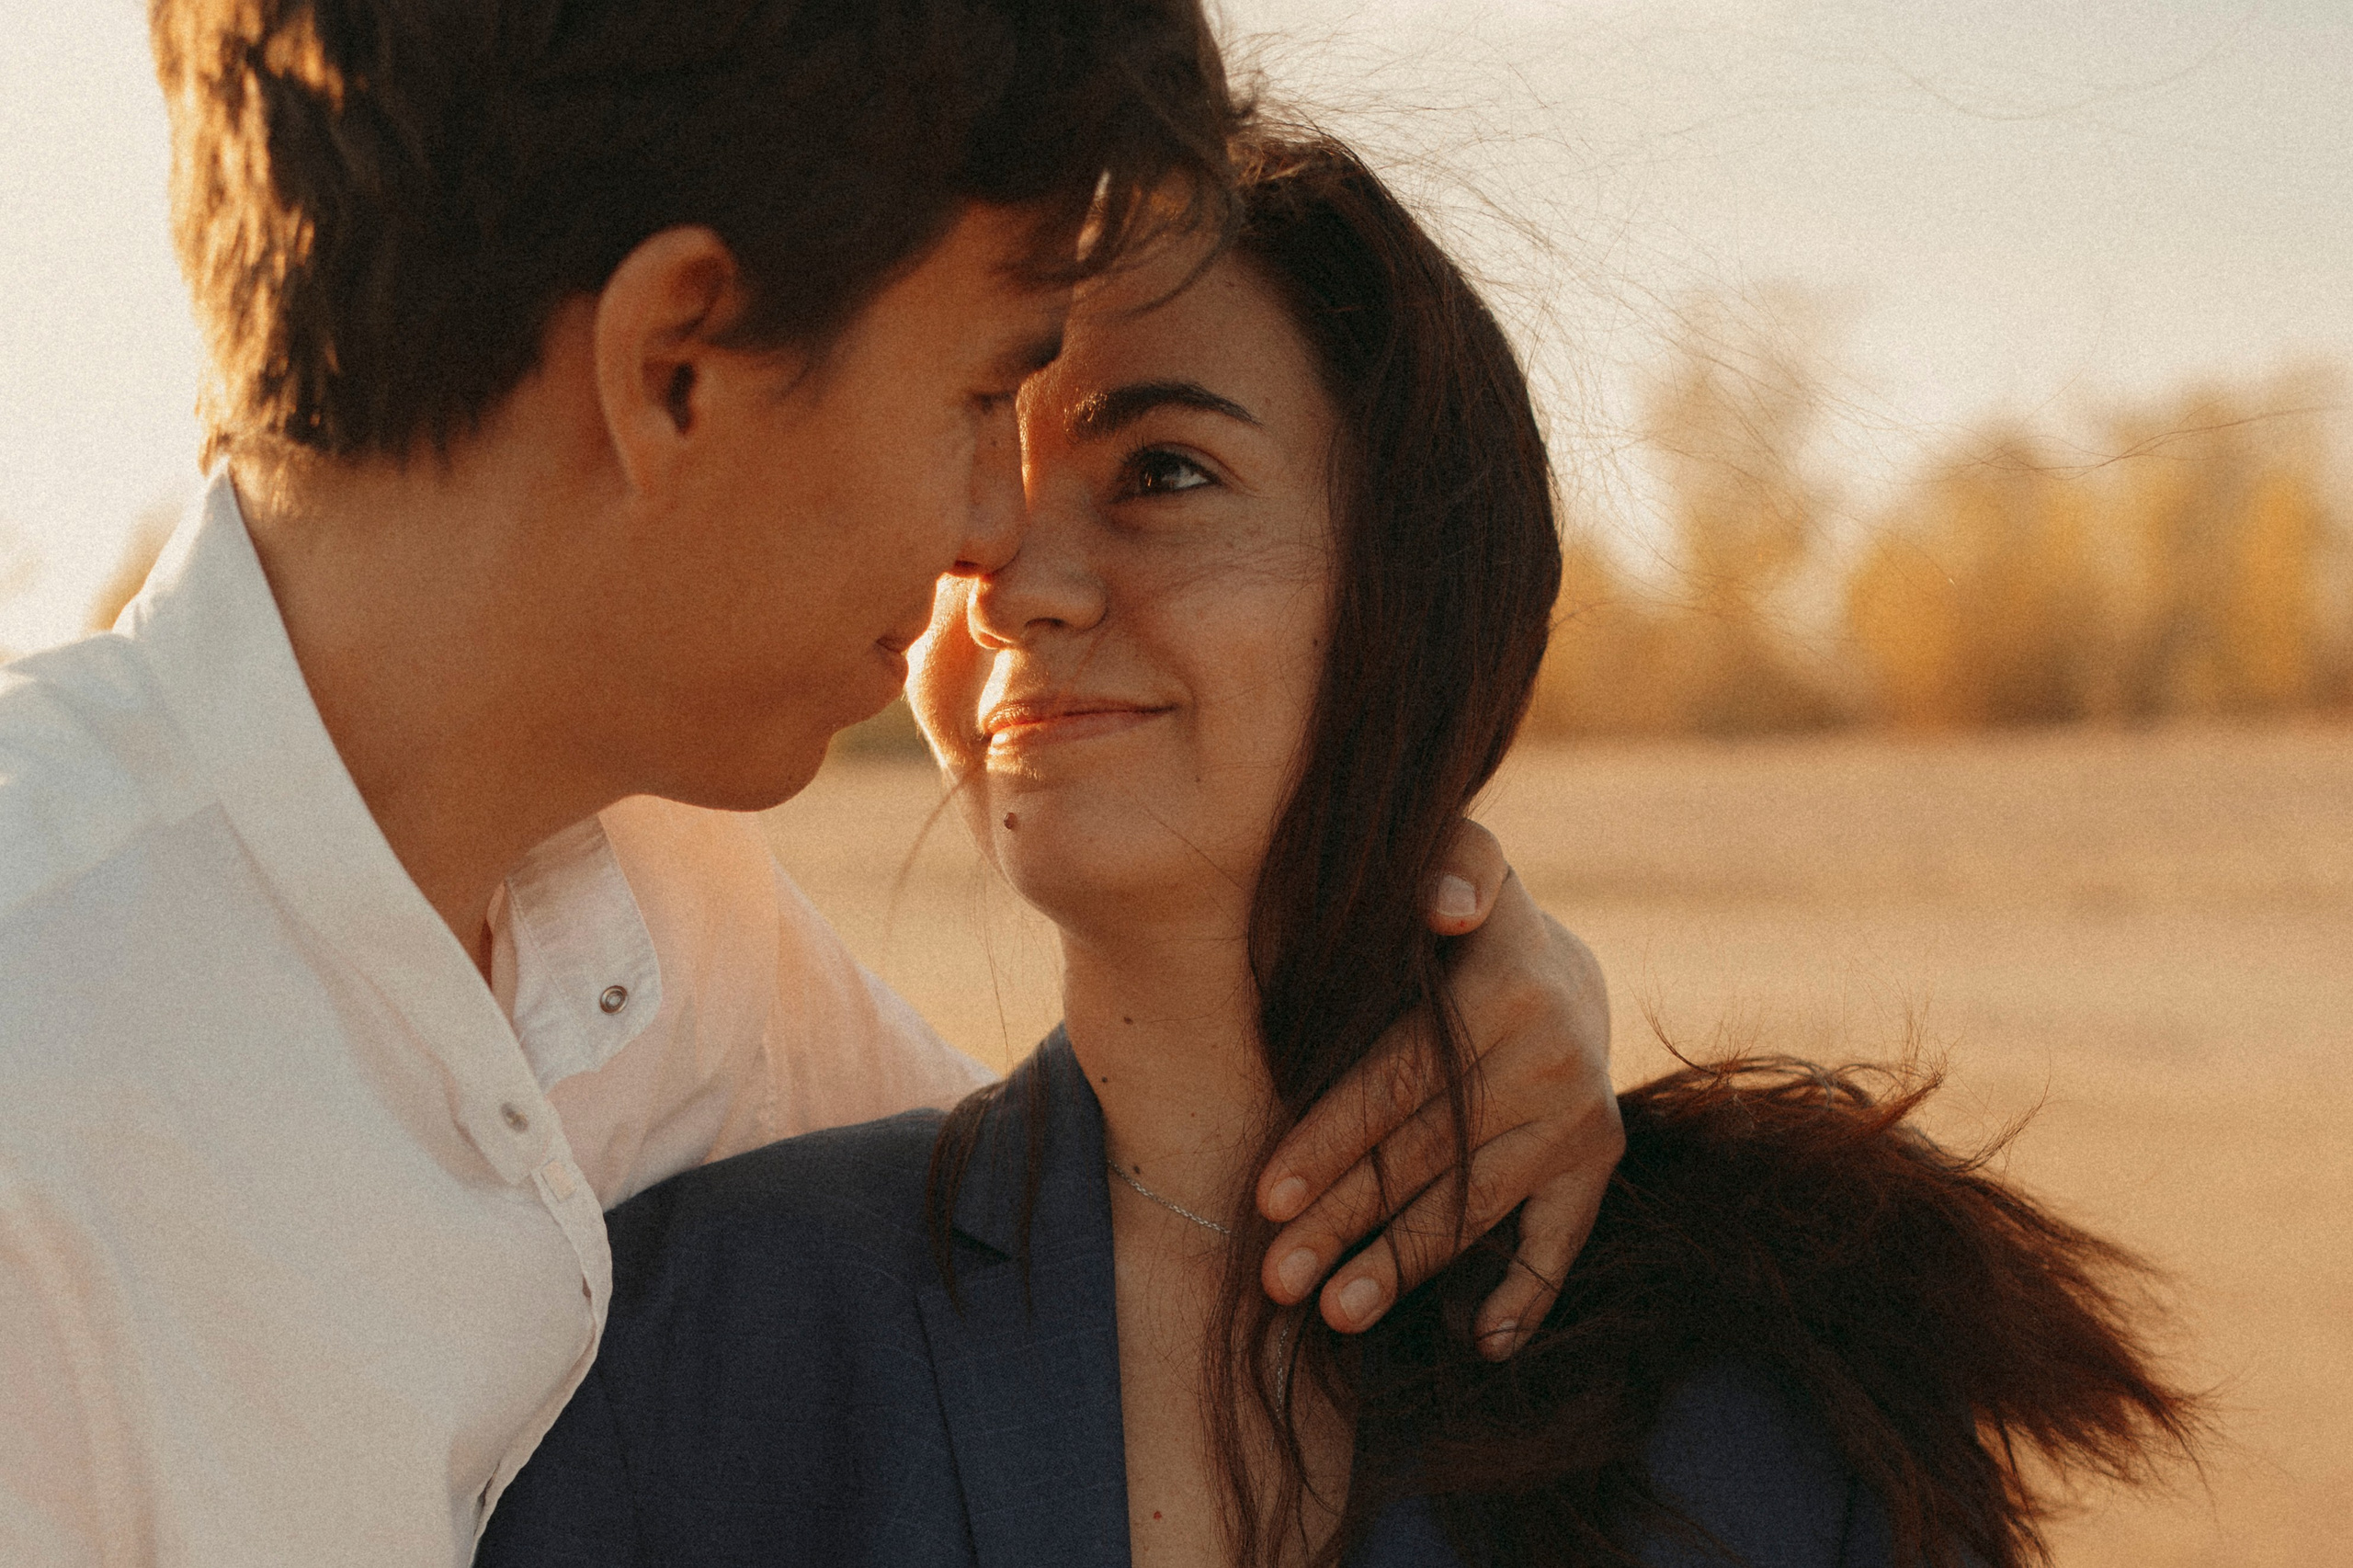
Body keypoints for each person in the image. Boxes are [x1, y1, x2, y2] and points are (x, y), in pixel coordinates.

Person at [0, 7, 1627, 1566]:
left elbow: (1113, 1184)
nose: (998, 535)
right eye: (989, 390)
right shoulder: (42, 1074)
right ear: (675, 365)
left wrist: (1465, 980)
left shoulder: (661, 926)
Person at [475, 132, 2199, 1568]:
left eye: (1159, 470)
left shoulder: (1758, 1379)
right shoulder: (704, 1332)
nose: (1016, 574)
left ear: (1411, 584)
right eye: (981, 471)